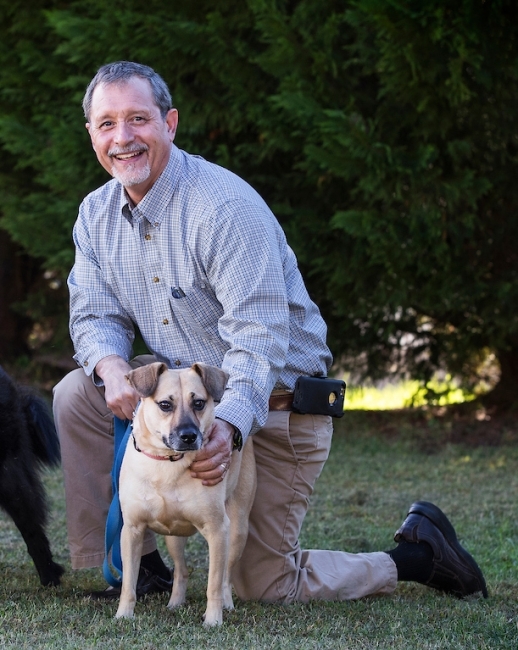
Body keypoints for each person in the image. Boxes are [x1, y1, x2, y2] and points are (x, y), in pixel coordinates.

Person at [53, 61, 487, 603]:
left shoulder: (224, 207)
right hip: (184, 408)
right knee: (78, 391)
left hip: (276, 408)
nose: (123, 138)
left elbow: (257, 341)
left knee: (259, 585)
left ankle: (417, 556)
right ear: (92, 134)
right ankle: (138, 567)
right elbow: (94, 315)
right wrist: (109, 363)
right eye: (107, 123)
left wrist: (228, 430)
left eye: (138, 119)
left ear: (170, 122)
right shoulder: (94, 215)